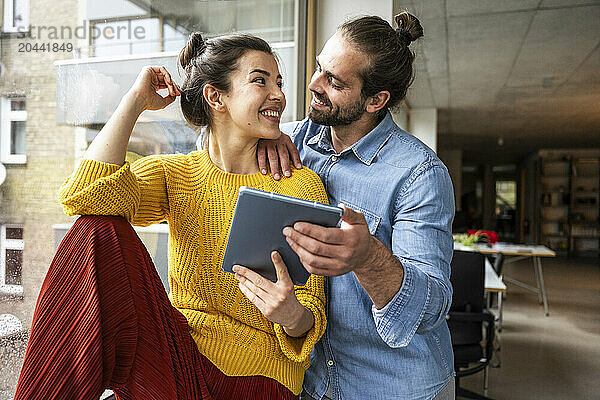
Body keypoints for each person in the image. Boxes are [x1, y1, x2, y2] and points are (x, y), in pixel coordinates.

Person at [15, 33, 328, 400]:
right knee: (97, 226)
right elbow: (84, 194)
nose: (278, 95)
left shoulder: (299, 186)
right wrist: (134, 102)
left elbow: (312, 311)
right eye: (260, 80)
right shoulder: (177, 175)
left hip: (260, 382)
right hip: (179, 360)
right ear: (216, 97)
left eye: (279, 83)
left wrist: (291, 315)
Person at [258, 13, 456, 400]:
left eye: (333, 81)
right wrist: (258, 136)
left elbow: (433, 308)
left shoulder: (420, 174)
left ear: (376, 100)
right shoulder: (291, 142)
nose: (313, 84)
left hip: (397, 386)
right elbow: (212, 165)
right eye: (318, 68)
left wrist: (368, 258)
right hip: (312, 381)